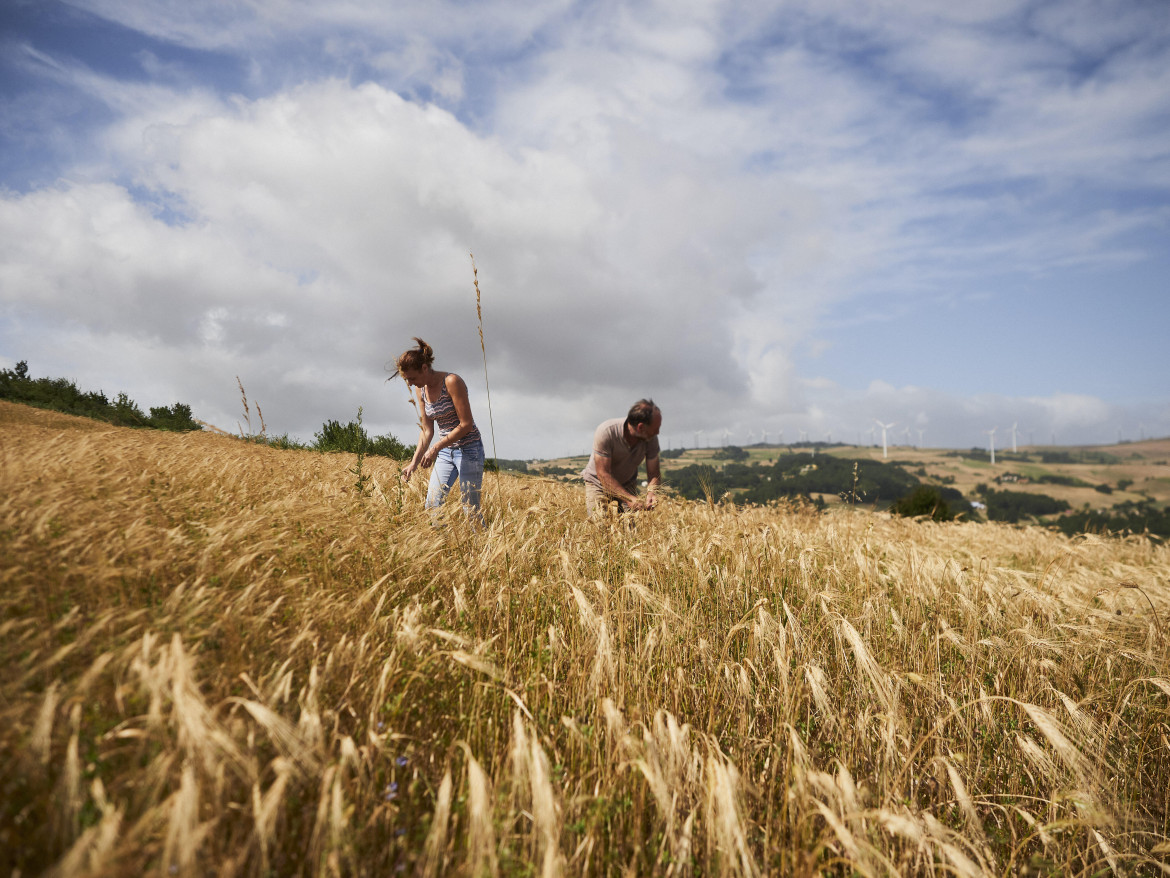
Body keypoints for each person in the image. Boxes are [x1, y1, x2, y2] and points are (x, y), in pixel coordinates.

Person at [395, 338, 485, 522]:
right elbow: (427, 430)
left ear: (425, 368)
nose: (410, 384)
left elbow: (466, 424)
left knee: (470, 509)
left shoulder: (452, 381)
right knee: (433, 505)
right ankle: (441, 546)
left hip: (469, 450)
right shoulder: (421, 390)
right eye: (407, 380)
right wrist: (414, 463)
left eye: (412, 378)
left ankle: (483, 548)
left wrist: (436, 448)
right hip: (445, 452)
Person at [581, 399, 662, 517]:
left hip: (627, 484)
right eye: (655, 429)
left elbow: (654, 473)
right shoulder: (606, 432)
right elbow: (603, 474)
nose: (658, 432)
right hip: (598, 484)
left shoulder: (651, 438)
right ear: (640, 427)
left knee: (629, 531)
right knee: (600, 525)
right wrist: (629, 499)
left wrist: (652, 492)